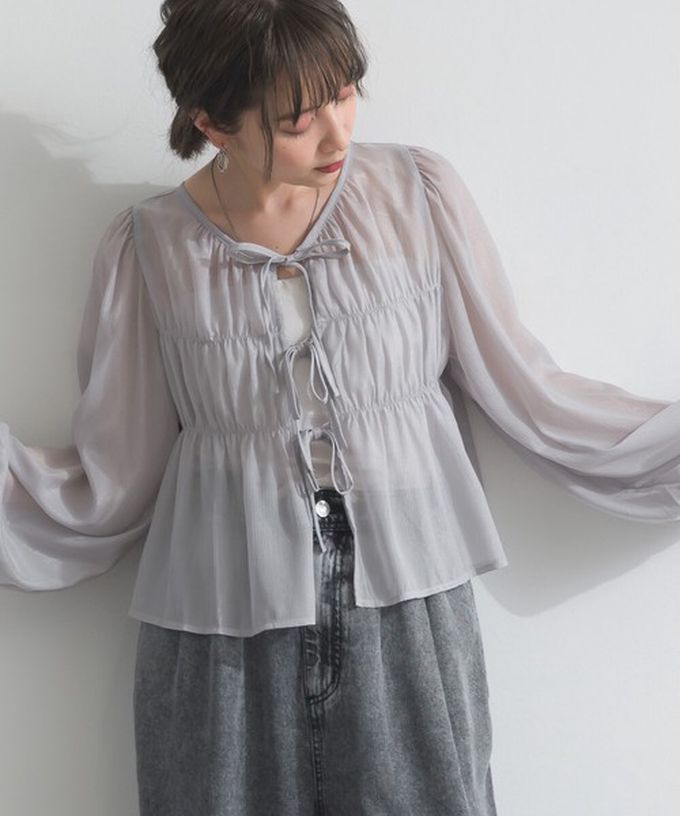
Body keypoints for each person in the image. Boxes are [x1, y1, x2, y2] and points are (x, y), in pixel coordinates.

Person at [2, 1, 680, 814]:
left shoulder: (414, 196)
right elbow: (114, 475)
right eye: (298, 121)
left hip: (408, 612)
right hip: (222, 633)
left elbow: (525, 387)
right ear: (212, 124)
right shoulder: (149, 249)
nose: (337, 134)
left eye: (346, 93)